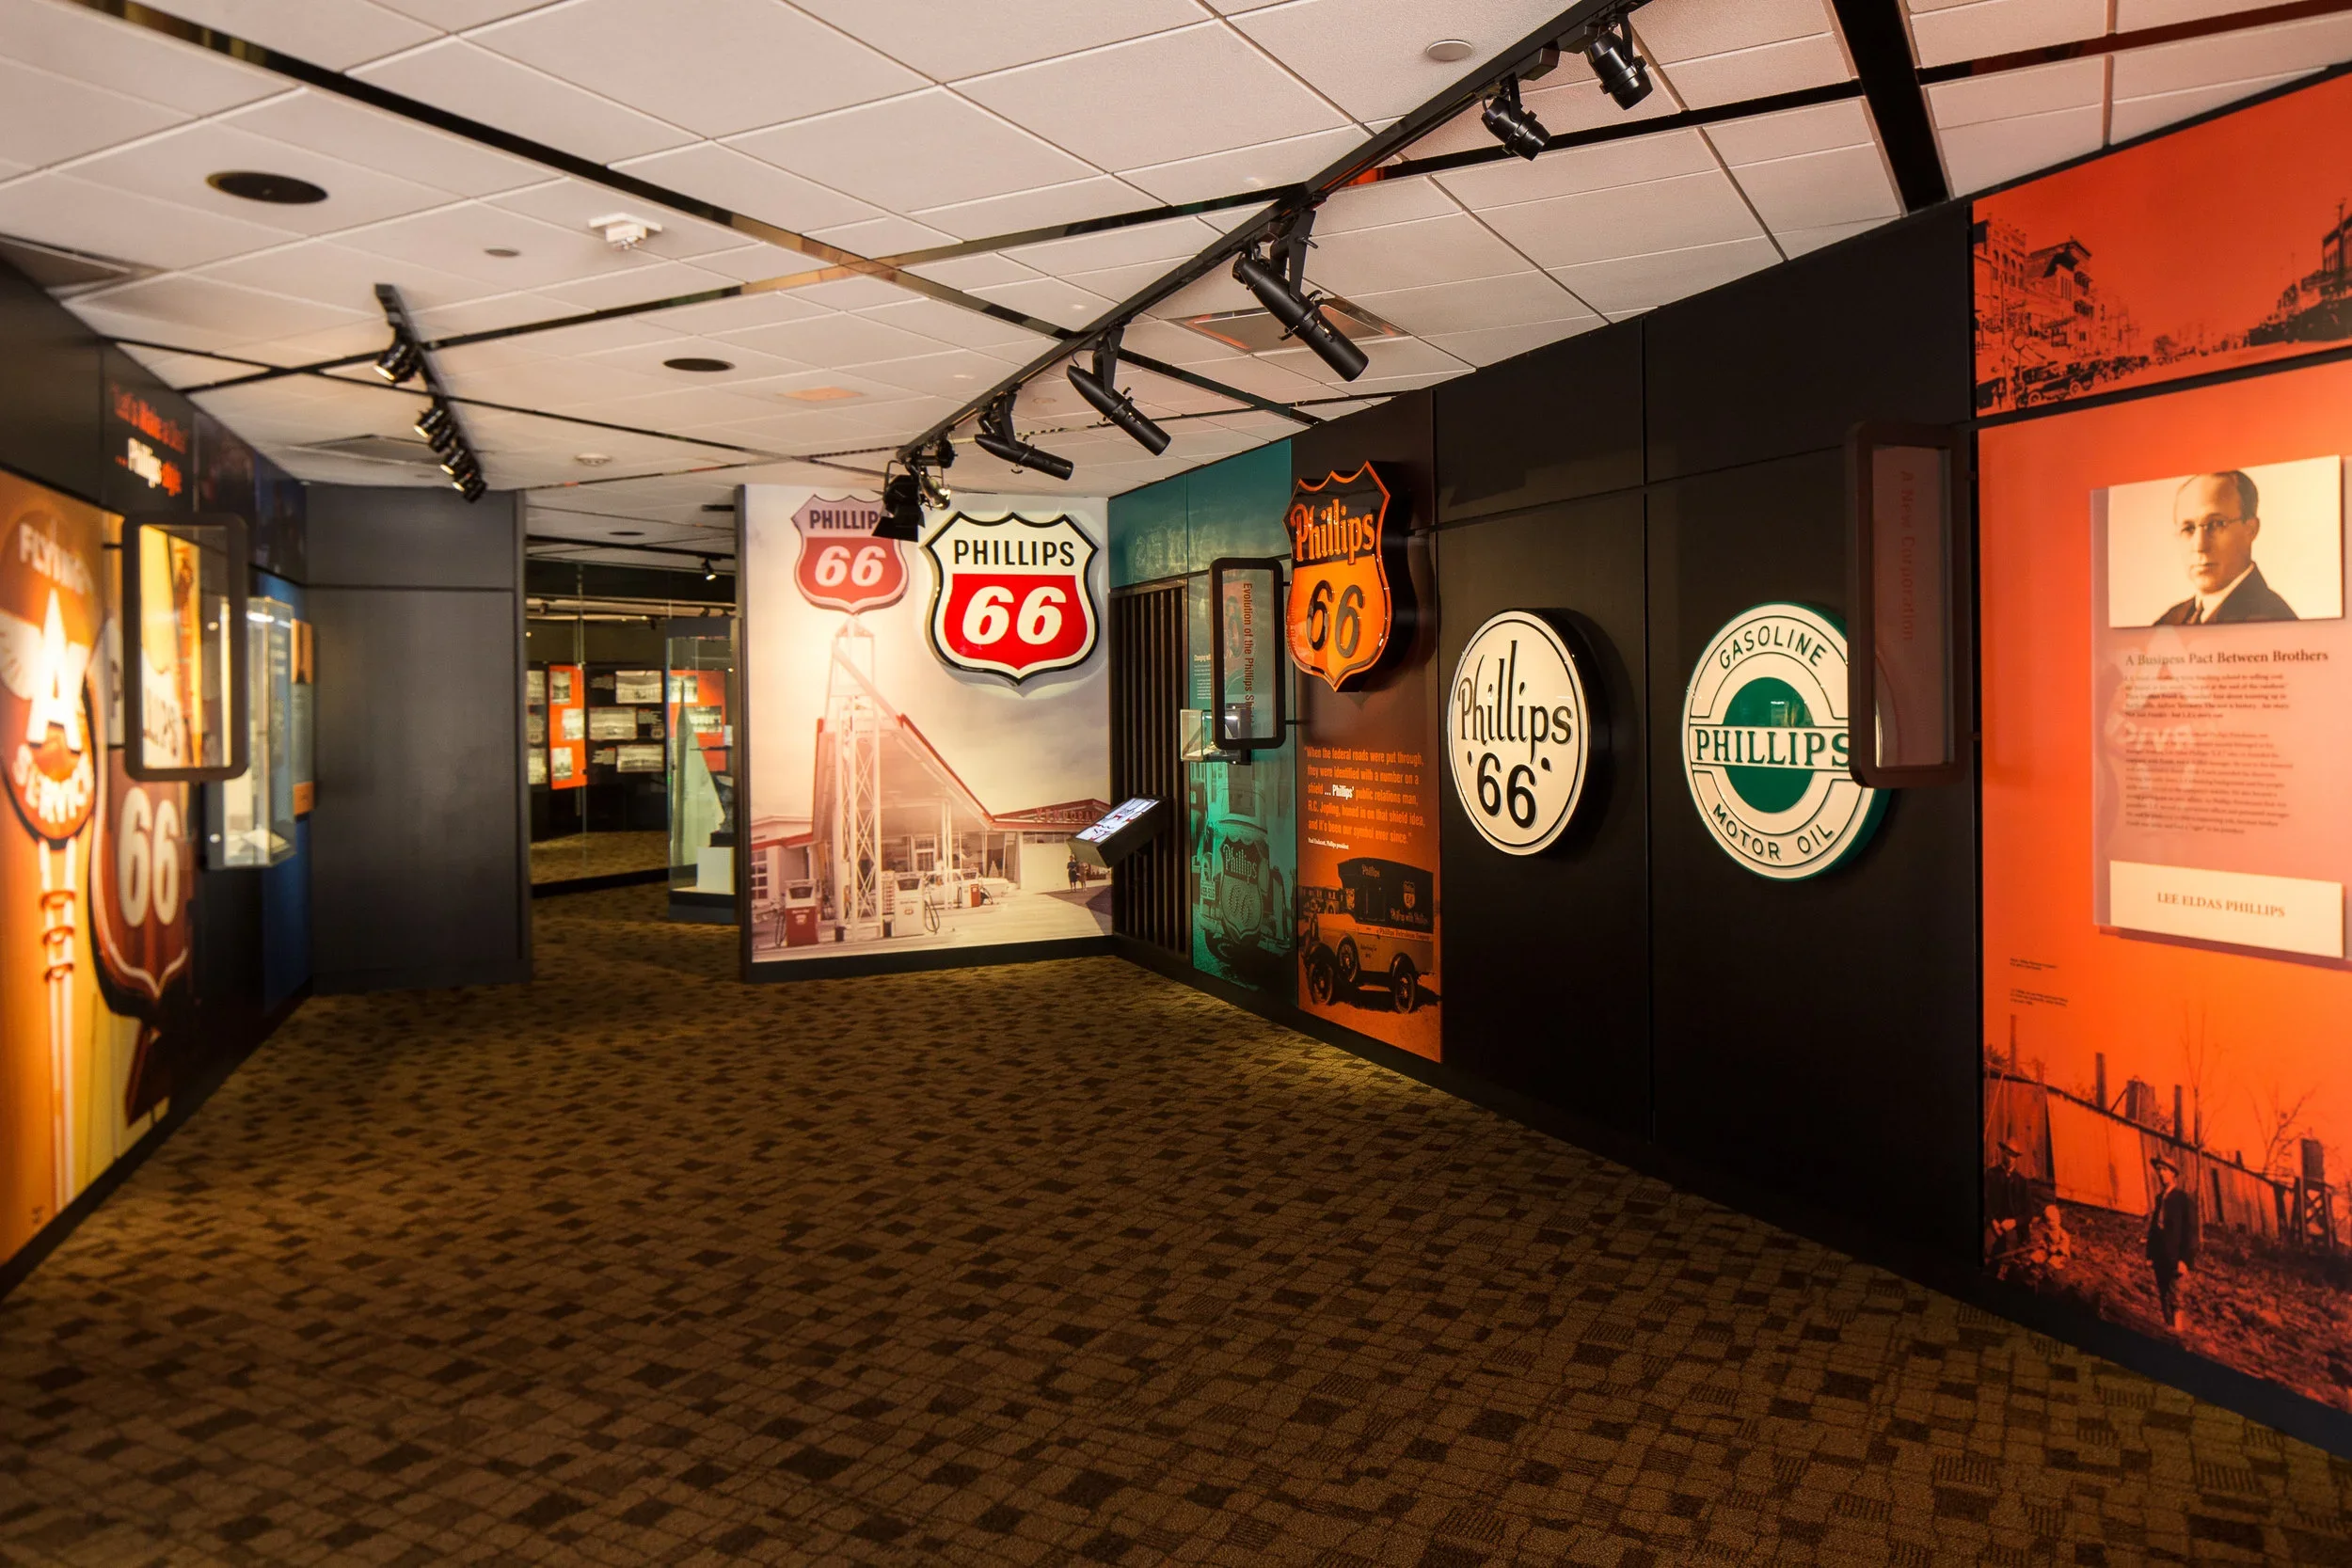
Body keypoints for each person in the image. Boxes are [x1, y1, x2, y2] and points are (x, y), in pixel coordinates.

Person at [2153, 470, 2297, 626]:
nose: (2200, 545)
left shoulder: (2274, 622)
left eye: (2216, 524)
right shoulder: (2169, 621)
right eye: (2188, 528)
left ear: (2251, 529)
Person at [2146, 1152, 2200, 1329]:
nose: (2161, 1173)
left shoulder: (2182, 1198)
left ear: (2173, 1173)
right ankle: (2168, 1333)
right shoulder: (2160, 1199)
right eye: (2159, 1170)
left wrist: (2185, 1260)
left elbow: (2191, 1231)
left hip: (2176, 1258)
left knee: (2177, 1298)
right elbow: (2154, 1229)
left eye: (2165, 1170)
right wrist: (2150, 1254)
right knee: (2164, 1296)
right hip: (2160, 1257)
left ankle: (2178, 1335)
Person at [1984, 1140, 2037, 1265]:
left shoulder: (2022, 1182)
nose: (2009, 1157)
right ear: (2002, 1152)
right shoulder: (1991, 1174)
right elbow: (1984, 1201)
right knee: (1986, 1254)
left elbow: (2029, 1213)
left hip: (2014, 1229)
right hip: (1994, 1224)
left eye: (2013, 1155)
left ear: (2016, 1158)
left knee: (2013, 1260)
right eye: (2007, 1153)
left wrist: (2014, 1222)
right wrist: (1993, 1222)